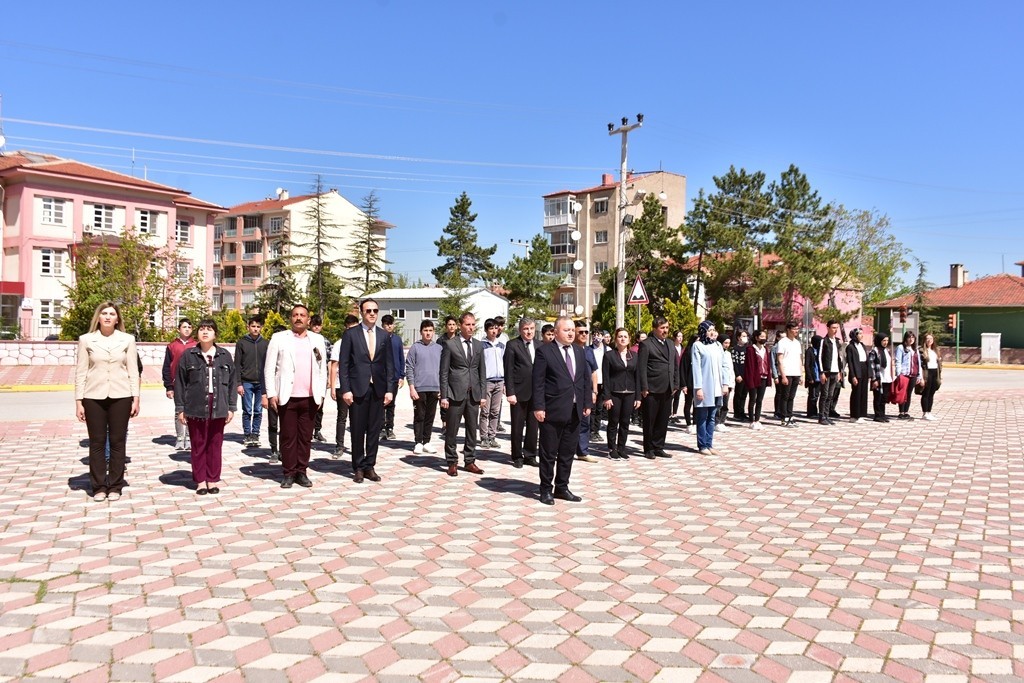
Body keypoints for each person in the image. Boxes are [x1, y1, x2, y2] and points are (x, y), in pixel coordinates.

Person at [75, 302, 141, 502]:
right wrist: (78, 401)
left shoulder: (127, 340)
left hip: (121, 396)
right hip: (93, 397)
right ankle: (98, 487)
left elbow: (133, 371)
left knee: (117, 442)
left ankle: (115, 486)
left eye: (112, 314)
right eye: (104, 313)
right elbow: (81, 372)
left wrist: (136, 398)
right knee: (96, 442)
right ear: (98, 317)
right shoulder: (86, 340)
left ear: (117, 319)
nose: (107, 316)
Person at [264, 304, 328, 489]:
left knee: (305, 437)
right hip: (287, 396)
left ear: (308, 319)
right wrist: (271, 394)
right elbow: (269, 369)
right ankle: (288, 472)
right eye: (295, 315)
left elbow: (321, 369)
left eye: (302, 315)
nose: (299, 318)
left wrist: (321, 395)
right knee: (287, 436)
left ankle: (302, 471)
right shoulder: (279, 338)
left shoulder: (317, 339)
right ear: (290, 318)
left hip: (310, 397)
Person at [532, 316, 592, 505]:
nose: (571, 333)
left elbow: (584, 379)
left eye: (572, 330)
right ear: (556, 332)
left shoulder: (579, 351)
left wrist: (587, 403)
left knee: (567, 453)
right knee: (549, 453)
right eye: (566, 330)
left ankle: (562, 487)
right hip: (552, 410)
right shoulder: (544, 352)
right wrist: (539, 406)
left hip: (575, 410)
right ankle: (545, 489)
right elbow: (538, 382)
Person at [174, 319, 238, 495]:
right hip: (195, 405)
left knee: (215, 444)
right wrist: (180, 408)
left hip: (219, 404)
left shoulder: (224, 355)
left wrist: (231, 407)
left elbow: (233, 383)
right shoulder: (189, 355)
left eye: (209, 329)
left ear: (215, 334)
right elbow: (180, 383)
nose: (205, 332)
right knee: (198, 443)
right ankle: (200, 481)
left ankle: (212, 479)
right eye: (202, 329)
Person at [338, 298, 396, 483]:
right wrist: (345, 389)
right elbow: (344, 364)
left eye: (375, 310)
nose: (372, 313)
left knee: (374, 429)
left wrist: (389, 389)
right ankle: (358, 467)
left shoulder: (384, 335)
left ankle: (370, 465)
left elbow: (389, 364)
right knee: (357, 429)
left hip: (378, 389)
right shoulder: (351, 334)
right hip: (357, 389)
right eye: (368, 310)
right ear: (362, 312)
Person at [439, 312, 487, 477]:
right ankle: (452, 462)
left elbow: (482, 371)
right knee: (452, 430)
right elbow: (443, 372)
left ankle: (470, 460)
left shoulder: (479, 345)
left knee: (472, 430)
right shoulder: (450, 344)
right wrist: (444, 395)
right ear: (460, 325)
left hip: (473, 394)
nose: (471, 327)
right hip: (455, 394)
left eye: (473, 324)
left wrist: (482, 394)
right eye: (468, 324)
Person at [638, 317, 679, 460]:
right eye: (662, 328)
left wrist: (676, 384)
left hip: (668, 388)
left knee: (663, 420)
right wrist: (644, 387)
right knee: (650, 420)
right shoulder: (646, 344)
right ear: (655, 328)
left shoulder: (670, 343)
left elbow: (674, 365)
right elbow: (641, 368)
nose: (665, 330)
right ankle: (648, 448)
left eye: (667, 327)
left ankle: (659, 446)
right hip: (652, 389)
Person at [691, 321, 732, 455]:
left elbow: (724, 366)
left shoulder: (718, 345)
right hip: (704, 386)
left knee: (712, 417)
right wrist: (698, 388)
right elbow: (696, 368)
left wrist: (725, 384)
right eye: (709, 330)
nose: (713, 332)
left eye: (714, 329)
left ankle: (709, 443)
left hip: (717, 387)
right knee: (702, 416)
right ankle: (702, 445)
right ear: (703, 332)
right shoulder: (698, 345)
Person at [504, 317, 539, 468]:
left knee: (533, 426)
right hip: (518, 392)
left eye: (531, 328)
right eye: (525, 329)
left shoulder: (540, 345)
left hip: (536, 393)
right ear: (520, 330)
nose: (529, 331)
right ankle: (517, 456)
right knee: (517, 426)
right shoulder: (512, 345)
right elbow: (508, 370)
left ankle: (530, 455)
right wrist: (510, 392)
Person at [602, 328, 640, 460]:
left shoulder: (634, 356)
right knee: (613, 421)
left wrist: (638, 397)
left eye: (625, 336)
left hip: (630, 393)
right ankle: (612, 448)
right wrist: (606, 397)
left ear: (629, 339)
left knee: (625, 422)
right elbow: (606, 378)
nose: (623, 339)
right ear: (615, 339)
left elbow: (637, 377)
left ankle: (621, 448)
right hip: (615, 393)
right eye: (620, 336)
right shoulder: (609, 355)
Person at [406, 319, 442, 454]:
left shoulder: (439, 348)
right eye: (425, 330)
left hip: (434, 388)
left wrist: (442, 389)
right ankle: (418, 442)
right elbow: (409, 367)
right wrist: (411, 387)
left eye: (430, 330)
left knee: (430, 416)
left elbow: (443, 370)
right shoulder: (415, 347)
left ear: (433, 332)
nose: (428, 333)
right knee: (419, 415)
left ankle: (427, 441)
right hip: (419, 388)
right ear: (421, 332)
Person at [328, 314, 361, 458]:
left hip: (358, 385)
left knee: (358, 418)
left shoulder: (362, 342)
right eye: (349, 329)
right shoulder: (339, 344)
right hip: (342, 386)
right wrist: (333, 386)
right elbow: (334, 366)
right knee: (342, 417)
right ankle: (339, 446)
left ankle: (357, 446)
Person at [161, 319, 195, 450]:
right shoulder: (172, 346)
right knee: (179, 411)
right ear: (179, 329)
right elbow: (166, 367)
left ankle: (189, 437)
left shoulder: (196, 345)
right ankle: (180, 438)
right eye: (184, 327)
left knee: (191, 412)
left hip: (193, 384)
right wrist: (169, 386)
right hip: (177, 384)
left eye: (189, 327)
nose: (187, 329)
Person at [235, 316, 267, 447]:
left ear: (261, 328)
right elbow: (237, 364)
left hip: (261, 383)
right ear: (248, 327)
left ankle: (255, 434)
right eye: (253, 326)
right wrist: (238, 383)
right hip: (246, 382)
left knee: (258, 410)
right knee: (247, 410)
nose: (255, 329)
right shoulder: (241, 343)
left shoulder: (265, 343)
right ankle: (247, 435)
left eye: (258, 326)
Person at [573, 321, 600, 462]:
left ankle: (583, 451)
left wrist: (594, 391)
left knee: (585, 422)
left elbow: (594, 372)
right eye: (581, 332)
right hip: (572, 392)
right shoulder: (569, 349)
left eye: (586, 332)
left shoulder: (589, 351)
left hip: (587, 392)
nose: (584, 334)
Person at [479, 319, 506, 449]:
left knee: (495, 411)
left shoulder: (501, 345)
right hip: (487, 381)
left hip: (499, 381)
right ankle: (484, 437)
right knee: (485, 411)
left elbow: (504, 364)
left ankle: (492, 436)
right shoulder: (481, 345)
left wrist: (505, 382)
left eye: (496, 328)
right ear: (486, 330)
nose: (494, 331)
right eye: (491, 328)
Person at [775, 322, 804, 427]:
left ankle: (790, 414)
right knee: (785, 396)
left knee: (791, 396)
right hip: (786, 373)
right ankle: (784, 417)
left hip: (796, 372)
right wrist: (783, 375)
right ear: (788, 329)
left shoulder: (797, 343)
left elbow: (800, 359)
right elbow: (780, 359)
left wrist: (801, 374)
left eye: (797, 329)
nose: (796, 331)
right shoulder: (782, 342)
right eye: (794, 329)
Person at [817, 320, 845, 425]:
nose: (835, 330)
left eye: (836, 328)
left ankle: (827, 415)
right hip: (826, 371)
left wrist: (839, 371)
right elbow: (819, 357)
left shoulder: (837, 342)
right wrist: (822, 372)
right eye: (833, 328)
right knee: (824, 394)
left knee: (830, 395)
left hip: (835, 371)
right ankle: (821, 416)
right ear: (828, 328)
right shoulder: (823, 341)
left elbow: (839, 358)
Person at [307, 315, 329, 443]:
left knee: (320, 405)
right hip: (307, 377)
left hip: (320, 376)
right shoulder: (306, 338)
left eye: (318, 325)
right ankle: (308, 430)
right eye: (314, 325)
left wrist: (328, 379)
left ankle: (317, 429)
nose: (316, 327)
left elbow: (329, 360)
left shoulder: (323, 341)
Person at [744, 330, 771, 430]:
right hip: (754, 377)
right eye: (761, 337)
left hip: (763, 377)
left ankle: (757, 419)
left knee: (759, 400)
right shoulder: (751, 349)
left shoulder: (765, 349)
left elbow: (768, 363)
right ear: (756, 338)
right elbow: (749, 366)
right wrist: (749, 379)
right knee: (753, 399)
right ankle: (751, 420)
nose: (764, 338)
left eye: (765, 336)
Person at [894, 330, 922, 420]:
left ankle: (906, 412)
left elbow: (918, 363)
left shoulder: (915, 349)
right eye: (909, 337)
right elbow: (898, 361)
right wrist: (898, 374)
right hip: (904, 374)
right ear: (905, 338)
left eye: (913, 337)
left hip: (913, 374)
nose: (911, 339)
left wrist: (919, 375)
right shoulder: (901, 347)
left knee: (909, 394)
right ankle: (901, 412)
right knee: (903, 393)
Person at [845, 328, 870, 423]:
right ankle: (854, 415)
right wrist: (853, 376)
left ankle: (861, 414)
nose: (861, 335)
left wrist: (869, 373)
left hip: (864, 369)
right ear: (854, 335)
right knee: (856, 393)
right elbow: (850, 362)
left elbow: (866, 359)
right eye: (859, 334)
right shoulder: (850, 347)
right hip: (856, 370)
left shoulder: (862, 345)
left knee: (863, 393)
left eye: (862, 334)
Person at [867, 332, 893, 423]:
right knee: (878, 397)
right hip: (879, 378)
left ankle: (883, 414)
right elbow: (872, 366)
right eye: (884, 340)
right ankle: (877, 415)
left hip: (887, 378)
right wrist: (874, 379)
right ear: (879, 341)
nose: (885, 342)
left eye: (887, 340)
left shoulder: (887, 351)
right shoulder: (874, 351)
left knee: (884, 398)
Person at [439, 315, 459, 430]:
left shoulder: (459, 339)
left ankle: (453, 423)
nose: (451, 327)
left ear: (456, 326)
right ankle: (444, 423)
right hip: (444, 371)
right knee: (444, 397)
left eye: (453, 324)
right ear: (446, 326)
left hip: (455, 372)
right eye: (449, 325)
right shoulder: (441, 340)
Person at [919, 333, 943, 420]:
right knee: (926, 393)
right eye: (927, 339)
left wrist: (940, 376)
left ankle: (929, 412)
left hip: (935, 372)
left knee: (932, 393)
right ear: (924, 340)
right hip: (926, 373)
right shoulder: (921, 351)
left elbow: (939, 364)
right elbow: (919, 365)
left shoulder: (936, 350)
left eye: (931, 339)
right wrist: (921, 377)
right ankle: (925, 413)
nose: (929, 340)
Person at [589, 327, 607, 440]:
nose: (597, 337)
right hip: (592, 383)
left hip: (603, 382)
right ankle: (591, 430)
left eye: (599, 335)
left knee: (600, 408)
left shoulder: (607, 350)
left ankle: (596, 430)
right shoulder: (588, 350)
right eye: (595, 335)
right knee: (592, 408)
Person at [680, 334, 697, 433]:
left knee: (697, 405)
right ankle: (688, 424)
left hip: (697, 384)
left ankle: (695, 423)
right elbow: (683, 369)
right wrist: (684, 385)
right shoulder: (687, 353)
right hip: (689, 383)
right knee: (688, 403)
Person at [730, 330, 749, 422]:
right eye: (743, 336)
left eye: (746, 336)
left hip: (746, 375)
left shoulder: (747, 349)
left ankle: (742, 412)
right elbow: (734, 363)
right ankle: (737, 413)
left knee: (744, 394)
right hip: (739, 375)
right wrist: (737, 374)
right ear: (738, 337)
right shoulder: (734, 349)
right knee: (738, 393)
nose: (745, 338)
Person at [716, 336, 733, 429]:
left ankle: (722, 421)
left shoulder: (728, 354)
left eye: (728, 343)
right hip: (719, 383)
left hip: (728, 383)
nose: (727, 345)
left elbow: (730, 369)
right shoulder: (717, 353)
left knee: (725, 404)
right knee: (718, 404)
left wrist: (731, 383)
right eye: (725, 343)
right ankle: (716, 421)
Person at [805, 335, 822, 420]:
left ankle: (816, 411)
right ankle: (811, 412)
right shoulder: (810, 350)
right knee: (813, 395)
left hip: (820, 376)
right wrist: (810, 377)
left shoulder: (820, 350)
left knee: (817, 395)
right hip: (813, 376)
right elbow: (807, 365)